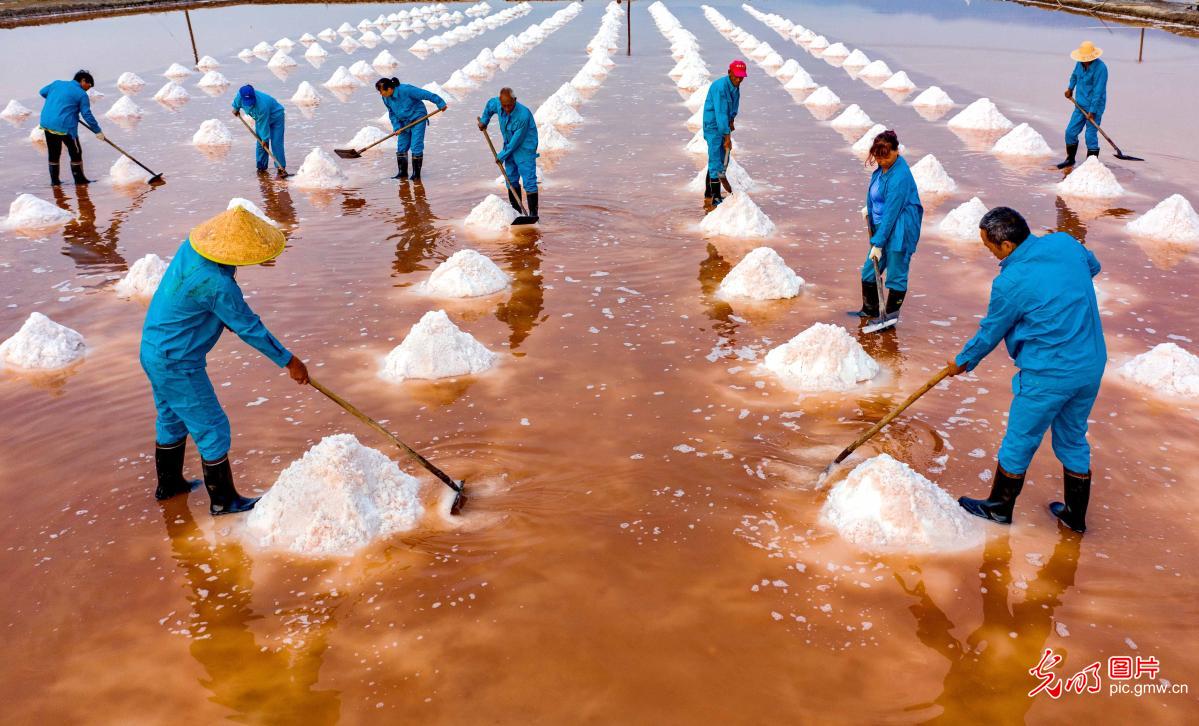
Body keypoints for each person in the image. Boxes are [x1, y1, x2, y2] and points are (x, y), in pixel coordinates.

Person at [140, 206, 309, 515]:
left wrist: (221, 315)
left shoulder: (191, 250)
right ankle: (224, 501)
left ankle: (170, 486)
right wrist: (290, 361)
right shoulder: (217, 285)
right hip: (178, 362)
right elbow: (250, 328)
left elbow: (193, 301)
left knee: (171, 418)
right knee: (213, 427)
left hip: (153, 348)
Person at [948, 207, 1105, 533]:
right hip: (1090, 363)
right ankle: (1075, 516)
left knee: (1020, 439)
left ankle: (999, 508)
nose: (989, 252)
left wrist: (963, 360)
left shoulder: (1011, 282)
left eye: (989, 246)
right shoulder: (1065, 243)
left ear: (1006, 246)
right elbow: (1094, 266)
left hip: (1048, 372)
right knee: (1073, 437)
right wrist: (1059, 288)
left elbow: (991, 331)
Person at [850, 130, 922, 322]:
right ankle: (870, 310)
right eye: (878, 157)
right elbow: (878, 194)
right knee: (869, 271)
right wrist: (871, 208)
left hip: (900, 229)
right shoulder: (882, 170)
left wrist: (879, 244)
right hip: (883, 227)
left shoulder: (900, 176)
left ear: (897, 151)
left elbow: (892, 213)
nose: (882, 161)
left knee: (896, 274)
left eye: (886, 156)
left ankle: (889, 319)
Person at [478, 87, 539, 221]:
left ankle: (533, 215)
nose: (506, 109)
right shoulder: (497, 103)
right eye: (504, 106)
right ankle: (517, 212)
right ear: (500, 101)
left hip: (525, 147)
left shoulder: (523, 115)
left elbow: (516, 141)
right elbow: (489, 106)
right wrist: (484, 120)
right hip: (508, 145)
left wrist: (501, 156)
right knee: (510, 178)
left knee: (529, 180)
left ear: (515, 100)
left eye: (509, 105)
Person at [375, 77, 447, 181]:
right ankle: (402, 173)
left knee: (416, 145)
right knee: (401, 146)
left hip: (417, 117)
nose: (381, 94)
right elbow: (391, 113)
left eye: (381, 91)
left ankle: (416, 175)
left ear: (390, 89)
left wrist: (440, 103)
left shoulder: (406, 90)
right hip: (403, 121)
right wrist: (397, 127)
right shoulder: (385, 98)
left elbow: (426, 94)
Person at [39, 70, 104, 185]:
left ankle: (55, 182)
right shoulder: (81, 94)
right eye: (88, 85)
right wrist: (97, 131)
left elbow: (42, 92)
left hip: (47, 123)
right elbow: (87, 114)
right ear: (83, 80)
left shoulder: (57, 83)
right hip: (64, 126)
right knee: (75, 151)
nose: (88, 89)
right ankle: (80, 180)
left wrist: (58, 102)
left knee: (54, 152)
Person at [701, 60, 746, 211]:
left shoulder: (735, 87)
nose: (739, 80)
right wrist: (727, 138)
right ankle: (715, 199)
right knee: (716, 162)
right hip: (714, 127)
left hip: (723, 124)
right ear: (729, 73)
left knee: (718, 160)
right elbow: (720, 115)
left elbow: (733, 107)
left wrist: (732, 120)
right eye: (736, 76)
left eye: (741, 77)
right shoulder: (720, 88)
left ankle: (708, 194)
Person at [1056, 40, 1107, 169]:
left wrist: (1093, 110)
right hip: (1080, 104)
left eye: (1086, 59)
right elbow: (1074, 76)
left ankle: (1091, 166)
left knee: (1090, 135)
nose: (1084, 61)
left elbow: (1098, 91)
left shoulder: (1101, 68)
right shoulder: (1079, 64)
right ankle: (1070, 159)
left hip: (1095, 107)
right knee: (1070, 132)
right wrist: (1070, 88)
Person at [231, 85, 287, 174]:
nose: (250, 104)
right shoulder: (240, 96)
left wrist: (264, 139)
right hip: (261, 119)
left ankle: (280, 168)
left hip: (276, 117)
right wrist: (235, 108)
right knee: (260, 144)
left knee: (276, 143)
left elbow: (263, 125)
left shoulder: (262, 105)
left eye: (251, 101)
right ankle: (261, 167)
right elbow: (236, 103)